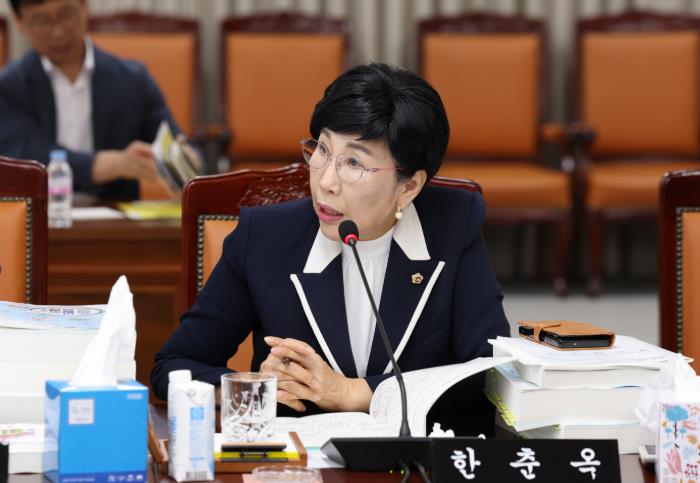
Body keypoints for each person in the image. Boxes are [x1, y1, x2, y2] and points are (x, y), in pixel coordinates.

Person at [152, 63, 510, 414]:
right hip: (298, 450)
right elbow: (173, 367)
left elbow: (492, 373)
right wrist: (256, 388)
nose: (325, 182)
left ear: (409, 186)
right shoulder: (264, 237)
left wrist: (353, 393)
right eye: (322, 150)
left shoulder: (452, 226)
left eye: (354, 163)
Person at [0, 0, 197, 200]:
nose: (57, 32)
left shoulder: (133, 79)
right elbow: (28, 159)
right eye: (41, 21)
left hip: (115, 214)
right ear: (19, 21)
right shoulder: (8, 88)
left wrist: (185, 159)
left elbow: (173, 142)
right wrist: (116, 164)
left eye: (66, 15)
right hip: (37, 213)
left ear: (85, 7)